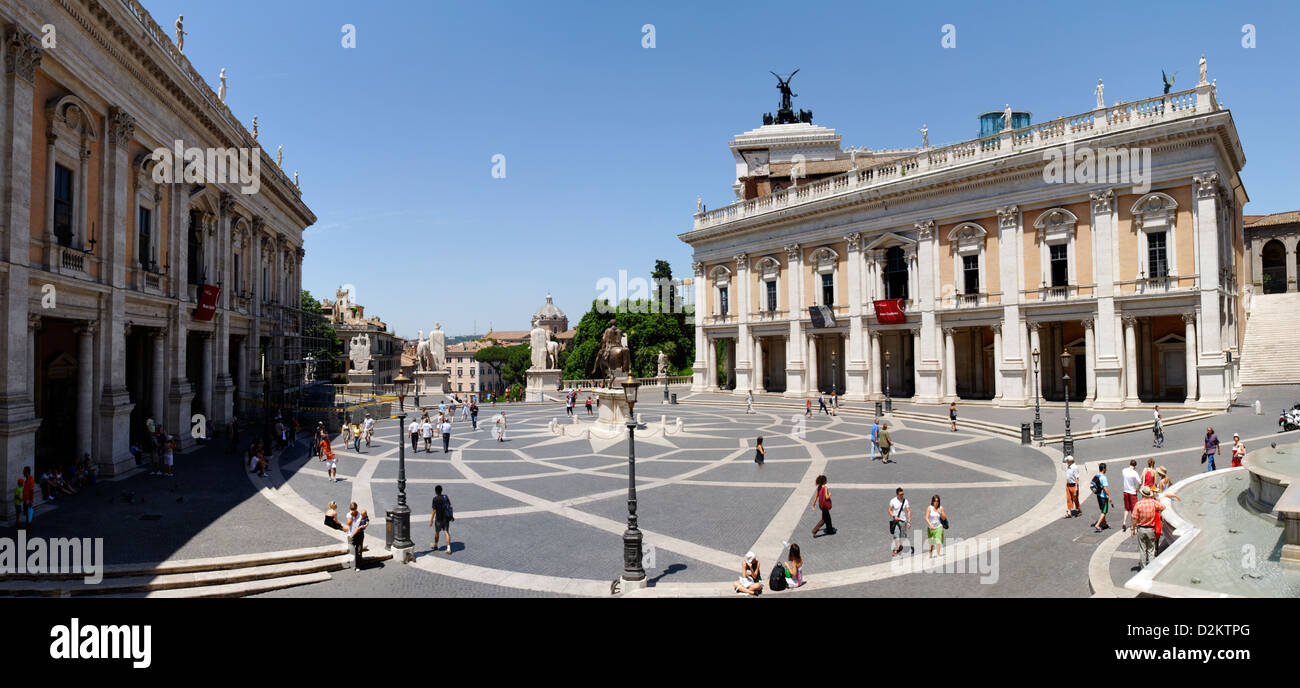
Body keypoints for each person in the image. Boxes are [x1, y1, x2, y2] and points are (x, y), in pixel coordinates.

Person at [1131, 486, 1164, 569]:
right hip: (1151, 529)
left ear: (1142, 494)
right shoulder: (1153, 502)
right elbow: (1163, 507)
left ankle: (1143, 569)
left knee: (1142, 550)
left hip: (1141, 529)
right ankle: (1151, 568)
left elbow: (1134, 518)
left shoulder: (1138, 504)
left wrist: (1133, 528)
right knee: (1151, 550)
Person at [429, 484, 453, 554]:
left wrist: (431, 521)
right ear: (441, 491)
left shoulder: (435, 499)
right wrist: (451, 516)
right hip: (446, 518)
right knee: (446, 532)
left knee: (437, 532)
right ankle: (448, 549)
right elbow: (450, 506)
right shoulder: (445, 497)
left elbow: (434, 511)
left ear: (436, 491)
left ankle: (436, 545)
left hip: (438, 519)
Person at [889, 487, 912, 556]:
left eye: (903, 494)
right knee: (896, 536)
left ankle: (901, 546)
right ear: (897, 494)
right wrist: (893, 516)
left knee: (902, 536)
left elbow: (908, 511)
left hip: (903, 521)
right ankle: (896, 549)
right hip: (896, 521)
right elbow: (889, 510)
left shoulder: (905, 501)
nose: (902, 496)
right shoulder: (893, 501)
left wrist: (909, 522)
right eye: (900, 494)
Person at [346, 502, 367, 571]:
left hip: (359, 534)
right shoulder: (348, 514)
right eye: (352, 509)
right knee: (352, 550)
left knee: (359, 551)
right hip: (351, 535)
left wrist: (363, 526)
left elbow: (365, 523)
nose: (353, 510)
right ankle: (353, 564)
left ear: (356, 508)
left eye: (354, 509)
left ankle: (358, 565)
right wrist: (352, 516)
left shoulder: (360, 515)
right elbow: (349, 524)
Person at [1121, 459, 1140, 532]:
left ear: (1130, 464)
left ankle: (1124, 522)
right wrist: (1137, 489)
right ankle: (1133, 525)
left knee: (1126, 508)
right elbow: (1140, 482)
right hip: (1132, 492)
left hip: (1125, 491)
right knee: (1133, 510)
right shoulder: (1135, 473)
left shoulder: (1124, 470)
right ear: (1135, 466)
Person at [1092, 462, 1111, 532]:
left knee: (1102, 510)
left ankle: (1104, 523)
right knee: (1104, 511)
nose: (1106, 470)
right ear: (1104, 469)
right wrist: (1109, 496)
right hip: (1103, 497)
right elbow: (1105, 488)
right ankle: (1098, 525)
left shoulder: (1097, 475)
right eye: (1106, 468)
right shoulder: (1103, 477)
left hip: (1098, 495)